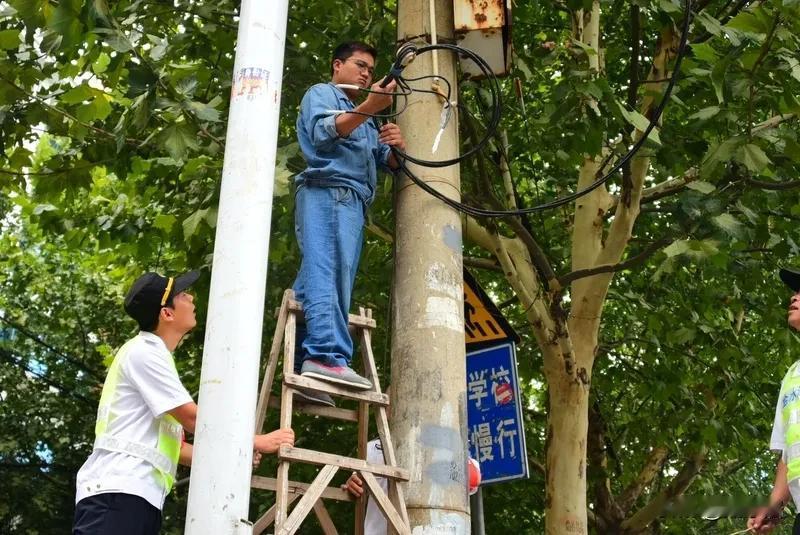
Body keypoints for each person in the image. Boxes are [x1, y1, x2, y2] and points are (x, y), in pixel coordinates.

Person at [73, 271, 295, 535]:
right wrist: (255, 441)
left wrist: (235, 455)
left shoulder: (154, 356)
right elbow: (193, 420)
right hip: (118, 493)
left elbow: (175, 449)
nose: (190, 297)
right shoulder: (144, 353)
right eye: (181, 294)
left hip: (134, 496)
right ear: (166, 313)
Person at [291, 41, 406, 406]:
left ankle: (305, 370)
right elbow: (325, 132)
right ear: (337, 65)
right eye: (360, 65)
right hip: (329, 191)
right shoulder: (322, 93)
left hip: (353, 201)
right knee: (329, 273)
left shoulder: (368, 119)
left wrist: (396, 145)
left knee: (315, 279)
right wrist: (369, 107)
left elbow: (389, 162)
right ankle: (326, 356)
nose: (366, 74)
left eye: (371, 70)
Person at [747, 267, 800, 534]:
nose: (794, 296)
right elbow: (788, 455)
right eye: (795, 291)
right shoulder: (792, 377)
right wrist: (774, 505)